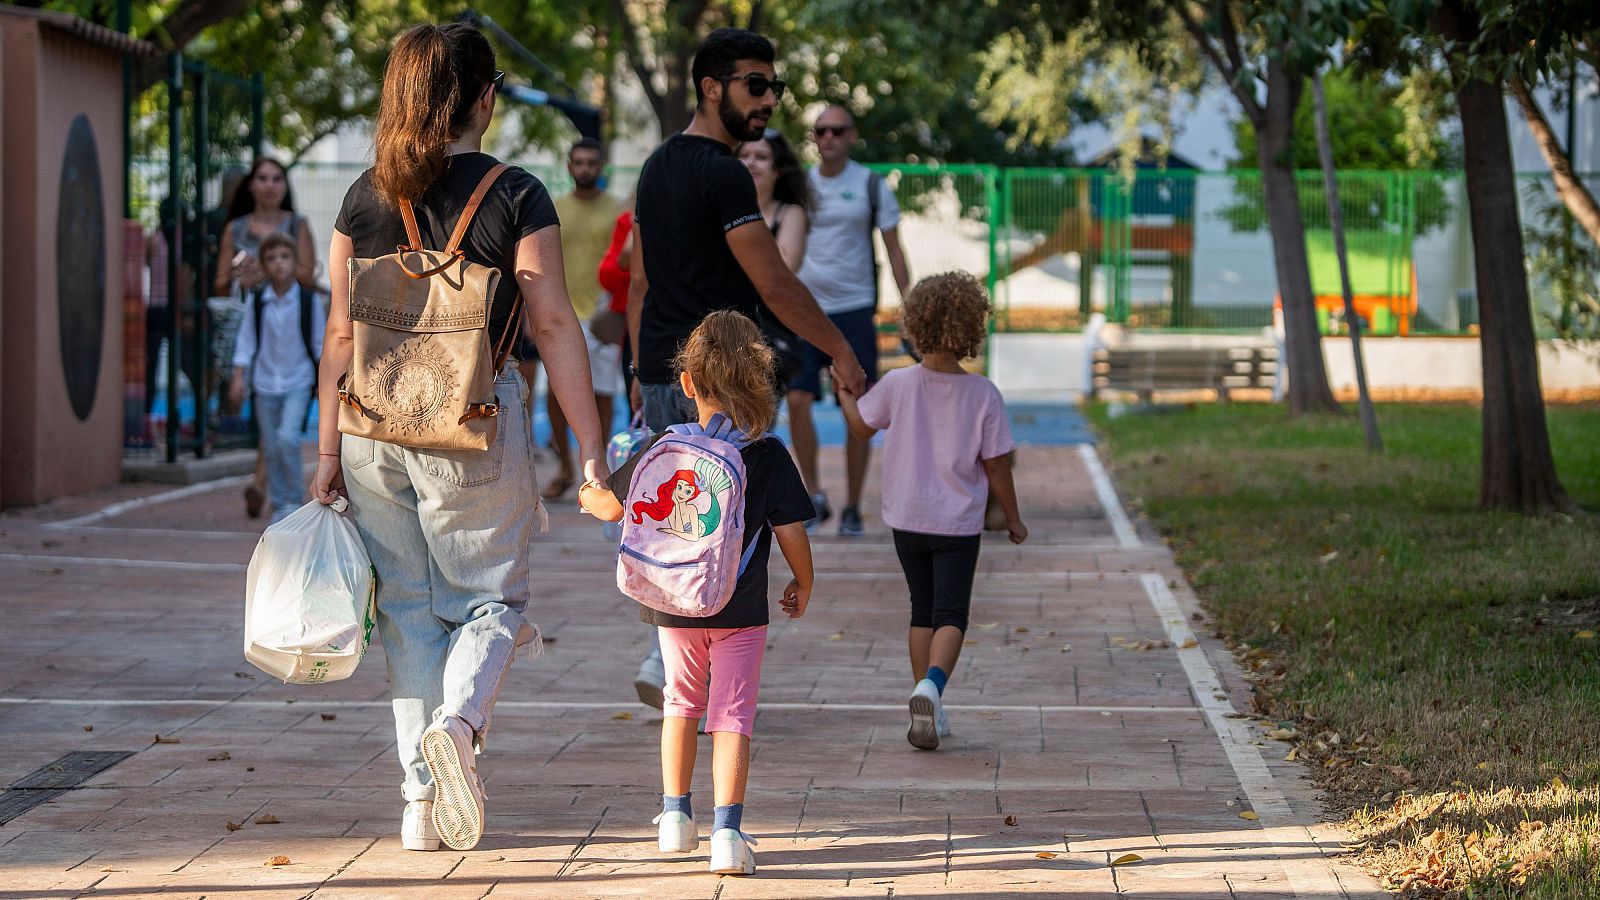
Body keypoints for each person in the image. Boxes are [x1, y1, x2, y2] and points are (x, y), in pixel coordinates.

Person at [309, 21, 605, 854]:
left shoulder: (363, 195)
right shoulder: (517, 194)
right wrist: (590, 451)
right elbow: (551, 321)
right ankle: (461, 726)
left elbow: (338, 334)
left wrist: (327, 454)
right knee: (491, 599)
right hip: (473, 423)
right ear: (484, 98)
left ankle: (417, 804)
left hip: (369, 424)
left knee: (406, 611)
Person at [624, 27, 864, 708]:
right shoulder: (723, 173)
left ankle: (664, 657)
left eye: (774, 87)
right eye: (754, 85)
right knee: (729, 524)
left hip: (667, 378)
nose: (768, 100)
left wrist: (640, 370)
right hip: (717, 384)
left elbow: (643, 284)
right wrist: (840, 349)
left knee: (681, 520)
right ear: (711, 87)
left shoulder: (657, 165)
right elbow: (775, 284)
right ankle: (684, 669)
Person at [579, 311, 815, 876]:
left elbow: (610, 507)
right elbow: (791, 533)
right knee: (732, 716)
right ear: (760, 381)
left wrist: (591, 491)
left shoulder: (667, 444)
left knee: (681, 704)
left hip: (670, 603)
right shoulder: (768, 454)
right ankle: (728, 834)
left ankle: (674, 818)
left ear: (687, 383)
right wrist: (803, 582)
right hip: (741, 607)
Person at [836, 271, 1026, 751]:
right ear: (971, 330)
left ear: (914, 326)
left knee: (922, 610)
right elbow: (998, 466)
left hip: (906, 519)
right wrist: (1014, 517)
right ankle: (933, 688)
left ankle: (929, 706)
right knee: (951, 614)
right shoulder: (983, 394)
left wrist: (844, 391)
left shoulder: (899, 384)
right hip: (957, 522)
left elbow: (860, 427)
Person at [794, 105, 912, 536]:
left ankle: (852, 506)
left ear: (851, 135)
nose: (828, 138)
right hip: (803, 309)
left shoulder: (871, 184)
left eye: (837, 130)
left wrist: (908, 306)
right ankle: (813, 495)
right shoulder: (799, 184)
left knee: (858, 408)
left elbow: (894, 249)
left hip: (855, 308)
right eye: (821, 131)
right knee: (796, 400)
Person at [216, 157, 317, 518]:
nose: (270, 184)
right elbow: (219, 281)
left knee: (283, 436)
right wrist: (237, 274)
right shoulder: (235, 228)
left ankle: (276, 494)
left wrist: (268, 272)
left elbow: (308, 273)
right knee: (272, 431)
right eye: (263, 178)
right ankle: (276, 493)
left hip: (291, 336)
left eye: (277, 178)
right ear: (251, 185)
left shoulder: (297, 224)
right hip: (253, 323)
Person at [542, 138, 624, 500]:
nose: (585, 168)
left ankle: (598, 470)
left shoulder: (617, 210)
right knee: (553, 396)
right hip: (563, 316)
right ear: (569, 166)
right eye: (579, 162)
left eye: (592, 162)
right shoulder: (554, 209)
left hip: (603, 315)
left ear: (601, 166)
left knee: (602, 394)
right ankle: (564, 466)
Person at [227, 231, 323, 524]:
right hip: (265, 383)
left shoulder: (309, 301)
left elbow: (320, 342)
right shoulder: (258, 301)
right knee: (270, 443)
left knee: (287, 438)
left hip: (299, 380)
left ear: (295, 262)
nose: (279, 264)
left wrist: (324, 380)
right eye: (271, 258)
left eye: (284, 257)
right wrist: (238, 376)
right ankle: (279, 502)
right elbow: (246, 341)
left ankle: (293, 501)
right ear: (264, 266)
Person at [735, 129, 812, 399]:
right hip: (724, 329)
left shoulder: (790, 213)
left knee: (755, 427)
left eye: (761, 157)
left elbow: (784, 269)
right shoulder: (721, 208)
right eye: (744, 155)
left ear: (778, 168)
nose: (751, 162)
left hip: (766, 336)